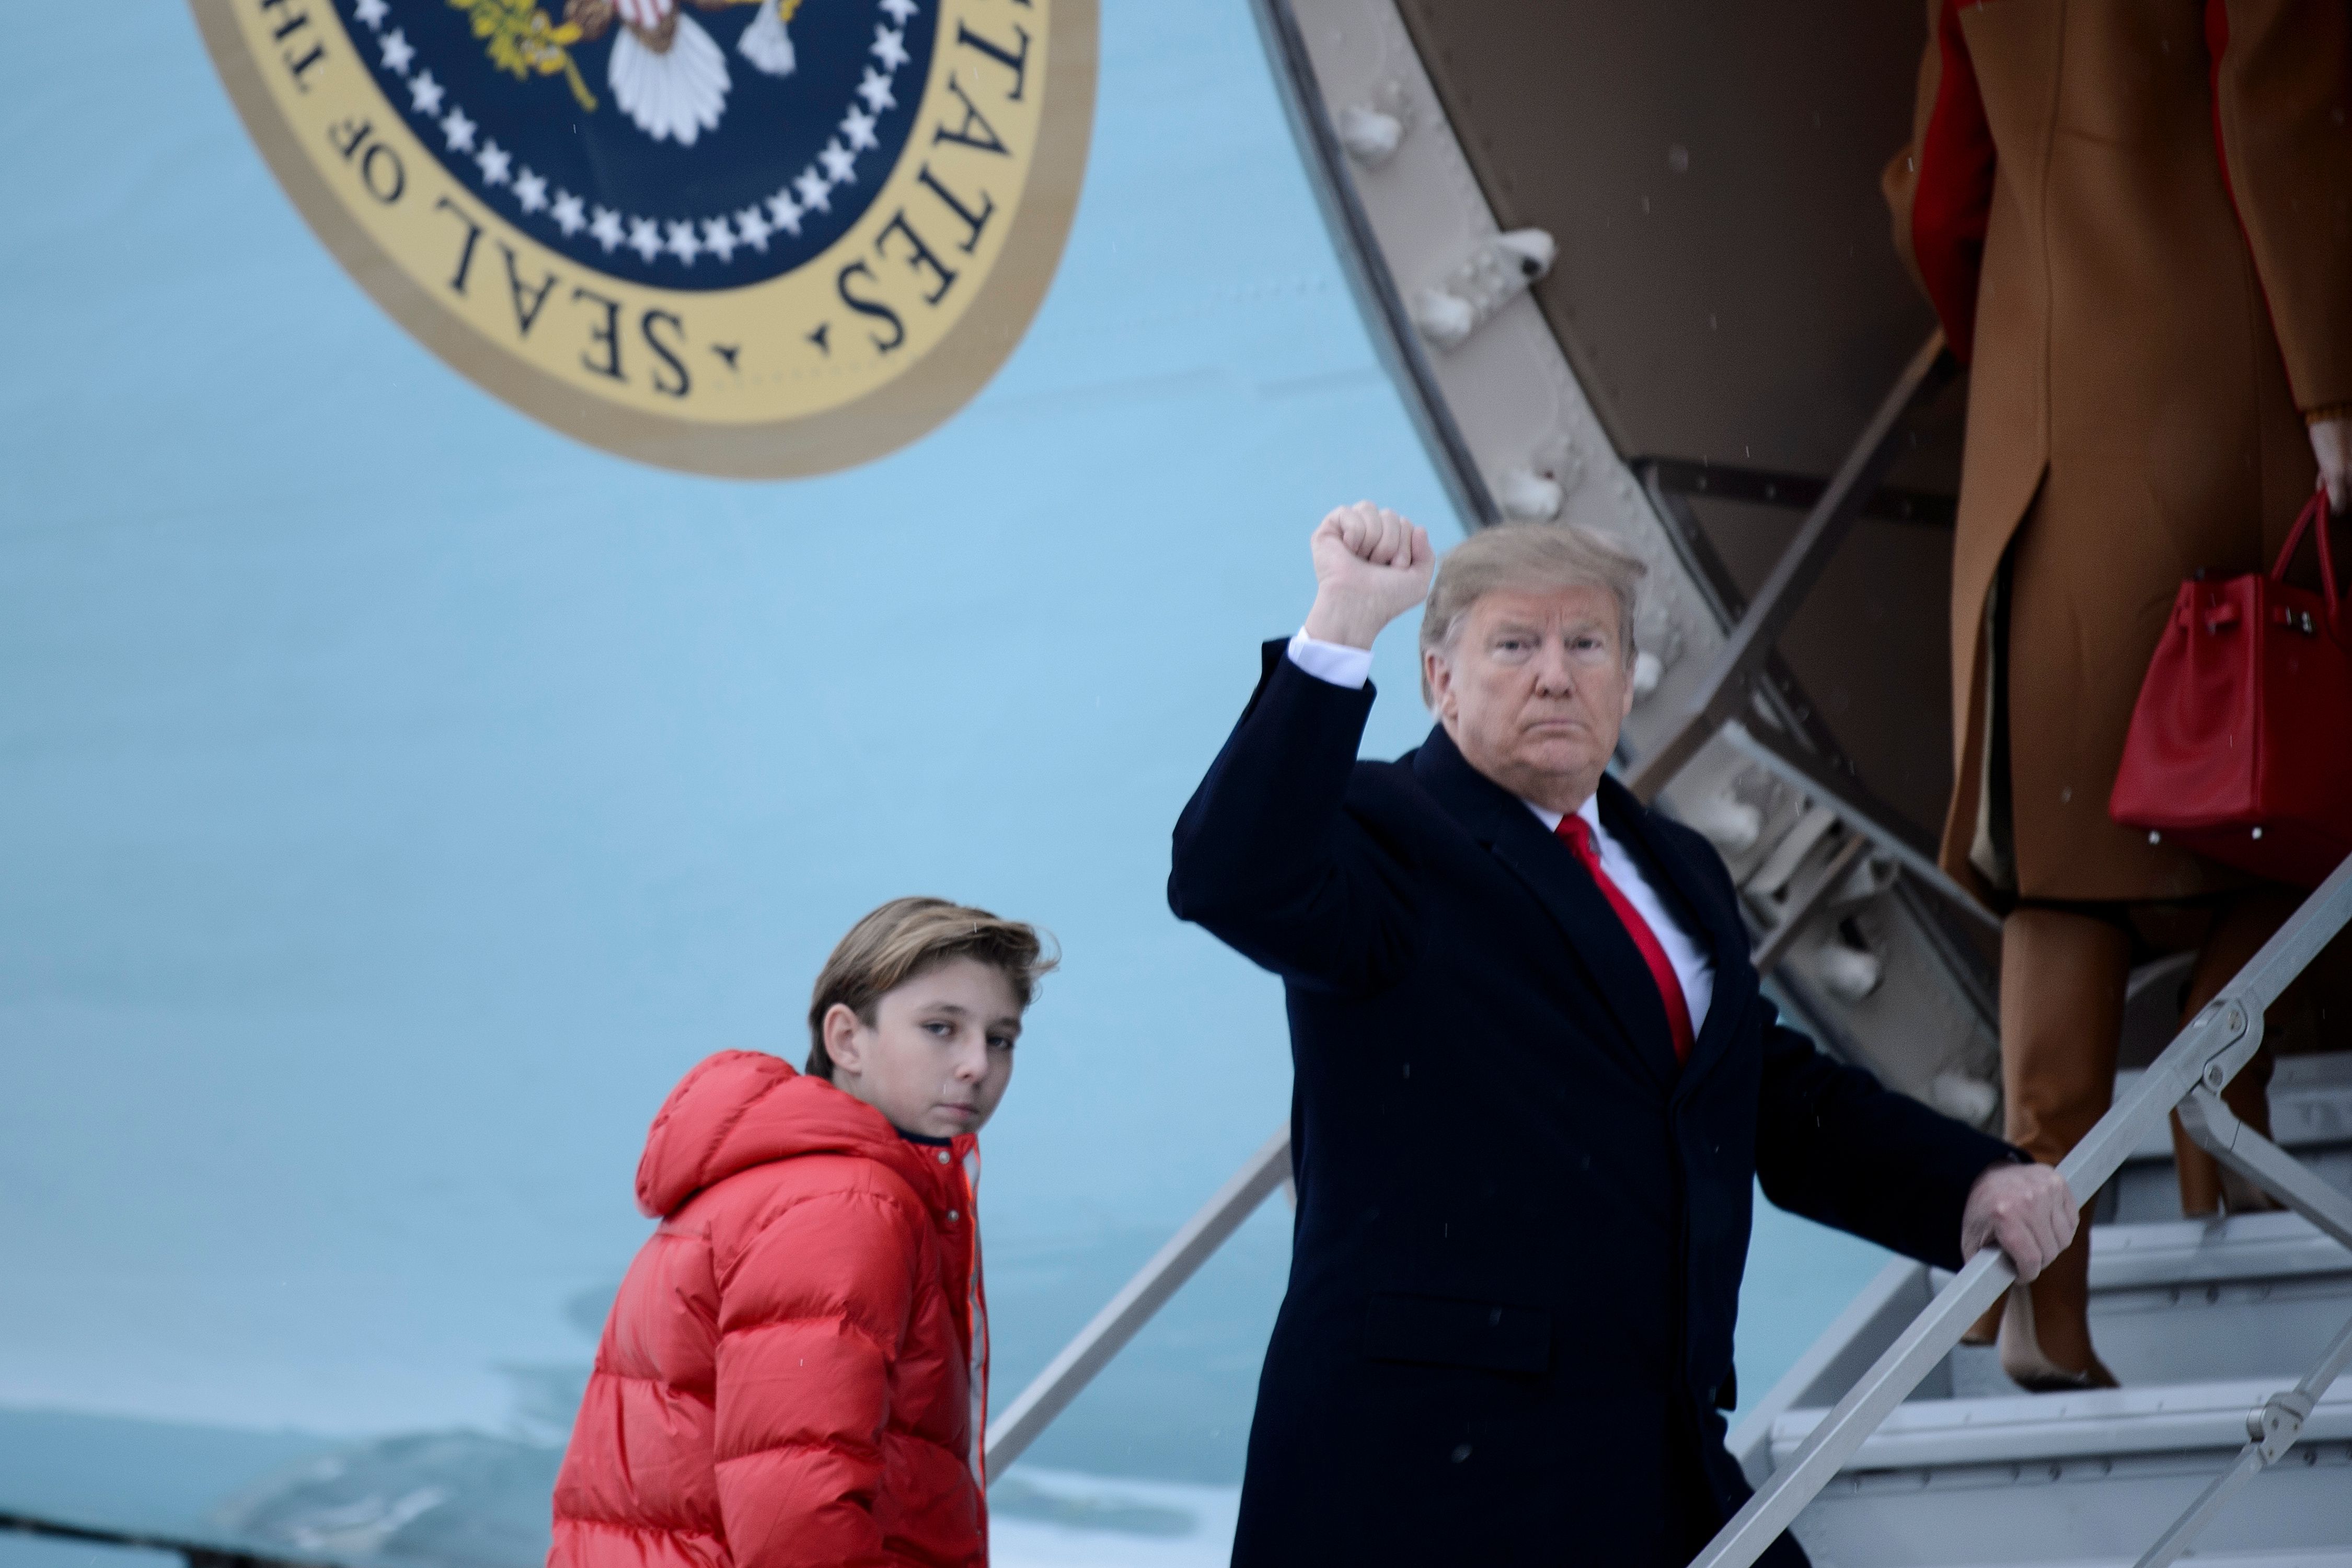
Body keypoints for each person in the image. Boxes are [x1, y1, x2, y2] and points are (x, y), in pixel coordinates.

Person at [1168, 505, 2081, 1568]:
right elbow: (1229, 875)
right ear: (1438, 680)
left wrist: (1965, 1184)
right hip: (1427, 1477)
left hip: (1652, 1452)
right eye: (1514, 645)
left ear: (1629, 674)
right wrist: (1342, 621)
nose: (1555, 676)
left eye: (1586, 643)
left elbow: (1757, 1090)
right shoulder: (1383, 834)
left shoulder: (1677, 864)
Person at [1882, 0, 2352, 1389]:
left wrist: (2028, 323)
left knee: (2068, 860)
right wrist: (2331, 382)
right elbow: (2283, 114)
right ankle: (2225, 1125)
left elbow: (1940, 189)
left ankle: (2040, 1282)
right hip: (2228, 376)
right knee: (2284, 772)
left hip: (2044, 403)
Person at [547, 896, 1055, 1568]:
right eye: (940, 1028)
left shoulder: (784, 1180)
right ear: (846, 1039)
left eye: (1000, 1039)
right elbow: (798, 1520)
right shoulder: (846, 1204)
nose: (976, 1065)